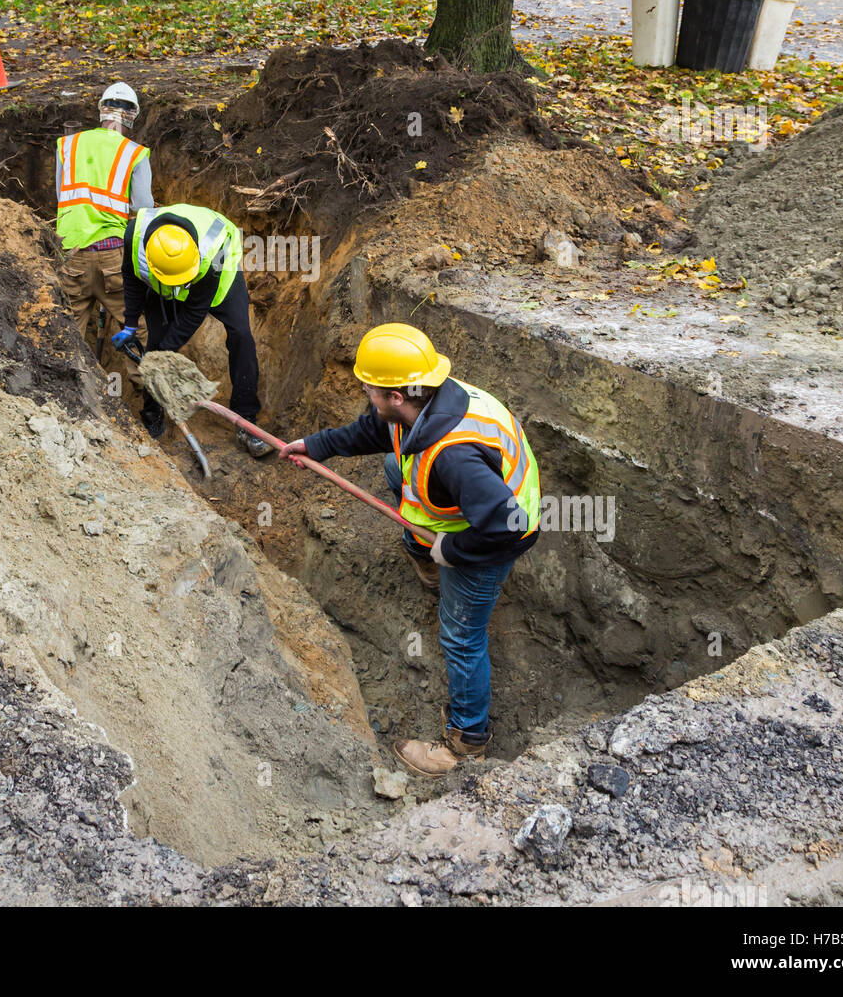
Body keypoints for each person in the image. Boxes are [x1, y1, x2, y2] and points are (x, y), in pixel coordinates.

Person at [280, 323, 541, 775]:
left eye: (371, 388)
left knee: (461, 637)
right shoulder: (427, 401)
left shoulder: (453, 455)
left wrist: (452, 551)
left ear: (397, 396)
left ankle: (466, 742)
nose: (364, 390)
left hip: (496, 536)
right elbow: (377, 432)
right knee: (392, 465)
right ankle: (422, 552)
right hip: (470, 507)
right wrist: (317, 445)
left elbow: (508, 528)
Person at [114, 203, 271, 456]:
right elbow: (131, 278)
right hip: (162, 283)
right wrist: (131, 324)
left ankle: (247, 421)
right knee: (155, 341)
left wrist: (163, 354)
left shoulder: (213, 251)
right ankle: (152, 413)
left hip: (219, 278)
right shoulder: (135, 236)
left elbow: (194, 312)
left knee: (242, 335)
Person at [54, 82, 153, 381]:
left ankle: (68, 398)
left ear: (101, 111)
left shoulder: (67, 145)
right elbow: (144, 208)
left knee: (65, 336)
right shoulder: (134, 153)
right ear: (131, 116)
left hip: (70, 256)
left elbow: (61, 197)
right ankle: (148, 405)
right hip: (113, 260)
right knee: (139, 333)